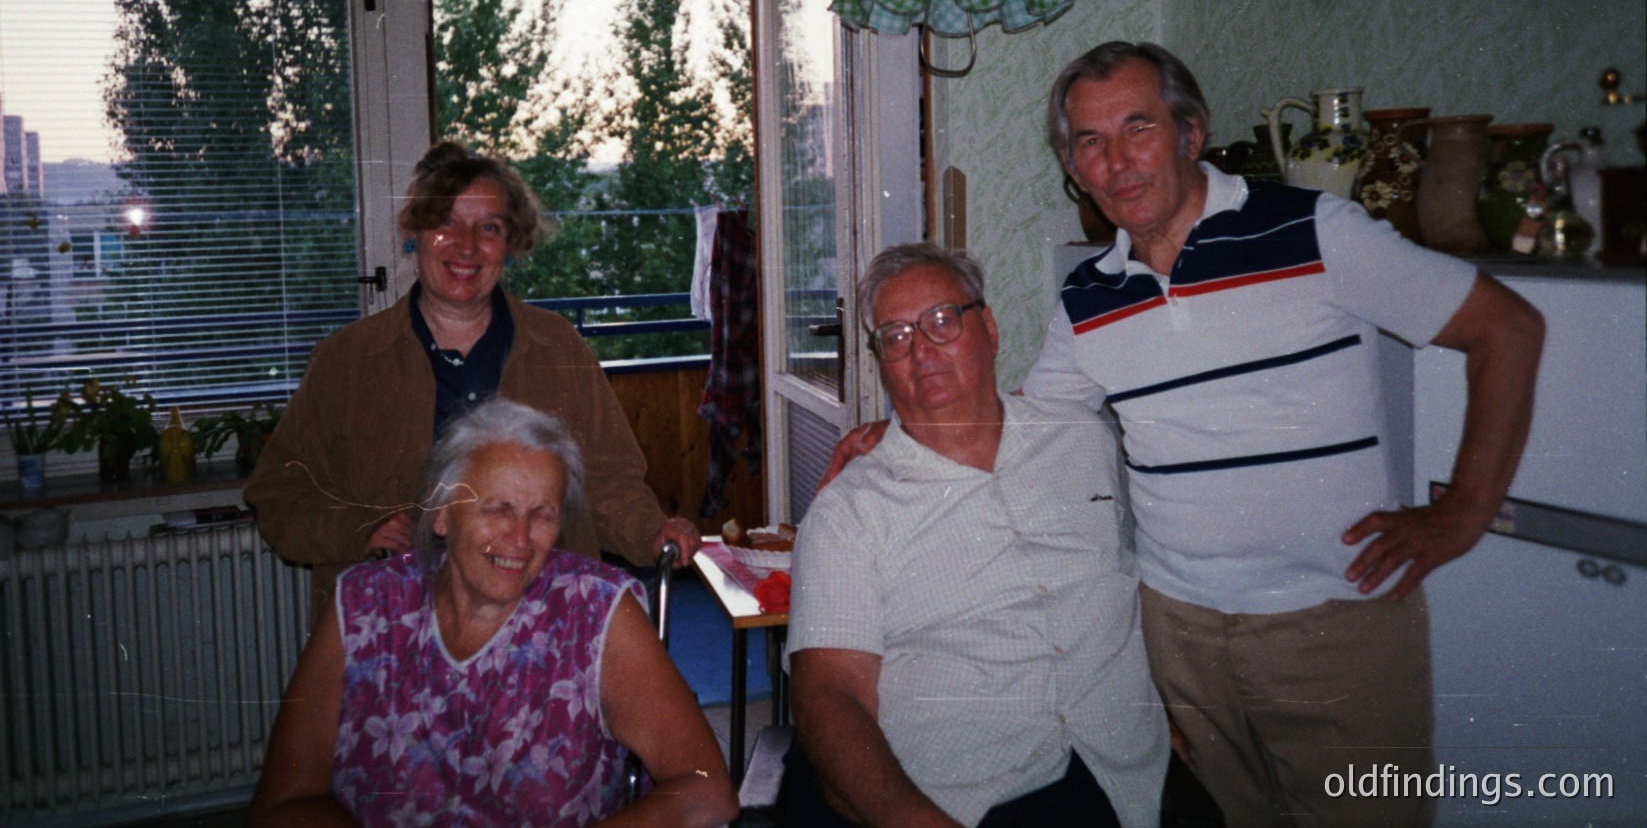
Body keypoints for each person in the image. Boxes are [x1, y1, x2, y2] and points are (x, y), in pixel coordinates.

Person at [829, 43, 1546, 826]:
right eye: (1088, 143)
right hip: (1177, 635)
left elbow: (1506, 329)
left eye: (1136, 128)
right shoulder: (1088, 297)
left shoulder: (1316, 232)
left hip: (1335, 621)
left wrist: (1465, 510)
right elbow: (1017, 415)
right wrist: (893, 432)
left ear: (1190, 133)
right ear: (1072, 167)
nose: (1116, 162)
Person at [788, 243, 1168, 828]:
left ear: (988, 328)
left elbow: (1135, 586)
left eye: (942, 321)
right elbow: (829, 698)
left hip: (1129, 773)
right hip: (964, 798)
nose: (921, 351)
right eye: (895, 335)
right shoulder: (848, 514)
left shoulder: (1084, 441)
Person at [246, 142, 700, 614]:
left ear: (511, 242)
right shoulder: (346, 361)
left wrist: (651, 531)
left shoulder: (558, 347)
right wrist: (358, 530)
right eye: (446, 222)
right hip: (393, 631)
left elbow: (607, 483)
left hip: (541, 623)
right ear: (413, 230)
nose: (466, 246)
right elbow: (279, 495)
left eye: (488, 228)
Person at [249, 398, 737, 827]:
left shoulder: (595, 612)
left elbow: (706, 789)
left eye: (542, 514)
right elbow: (283, 804)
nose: (520, 540)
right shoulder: (362, 607)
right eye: (497, 509)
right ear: (441, 514)